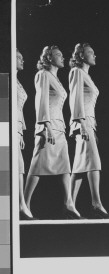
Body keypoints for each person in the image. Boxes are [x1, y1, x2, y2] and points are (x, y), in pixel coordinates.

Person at [24, 46, 82, 219]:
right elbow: (40, 101)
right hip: (48, 128)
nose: (63, 57)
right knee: (37, 166)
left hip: (59, 127)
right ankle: (24, 204)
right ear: (48, 58)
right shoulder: (43, 75)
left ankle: (69, 204)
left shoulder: (55, 78)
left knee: (65, 167)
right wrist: (45, 126)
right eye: (58, 55)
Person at [68, 43, 109, 219]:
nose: (94, 55)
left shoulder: (85, 74)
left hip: (89, 123)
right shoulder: (77, 72)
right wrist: (81, 123)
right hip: (83, 122)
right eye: (90, 53)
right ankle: (96, 205)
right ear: (80, 56)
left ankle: (69, 204)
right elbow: (75, 98)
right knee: (93, 162)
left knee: (80, 166)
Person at [16, 49, 36, 220]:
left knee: (19, 168)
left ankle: (22, 206)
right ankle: (21, 206)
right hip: (7, 130)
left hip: (16, 130)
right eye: (19, 57)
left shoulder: (17, 82)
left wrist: (21, 132)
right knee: (16, 168)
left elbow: (19, 109)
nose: (23, 60)